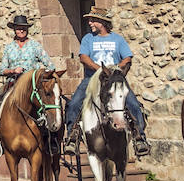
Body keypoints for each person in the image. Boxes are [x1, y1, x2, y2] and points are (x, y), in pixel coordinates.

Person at [64, 8, 150, 157]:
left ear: (102, 22)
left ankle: (139, 138)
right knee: (74, 104)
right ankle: (72, 137)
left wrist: (116, 69)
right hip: (92, 78)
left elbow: (127, 58)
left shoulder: (118, 39)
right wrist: (100, 70)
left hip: (115, 79)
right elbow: (83, 58)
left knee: (134, 105)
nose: (90, 23)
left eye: (93, 20)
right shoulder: (88, 39)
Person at [0, 15, 56, 156]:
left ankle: (51, 141)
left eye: (24, 28)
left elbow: (50, 65)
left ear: (27, 30)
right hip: (13, 83)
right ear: (14, 30)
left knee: (46, 107)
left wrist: (39, 75)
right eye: (18, 28)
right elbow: (2, 69)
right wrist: (12, 71)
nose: (21, 30)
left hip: (32, 86)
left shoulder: (35, 46)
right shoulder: (9, 48)